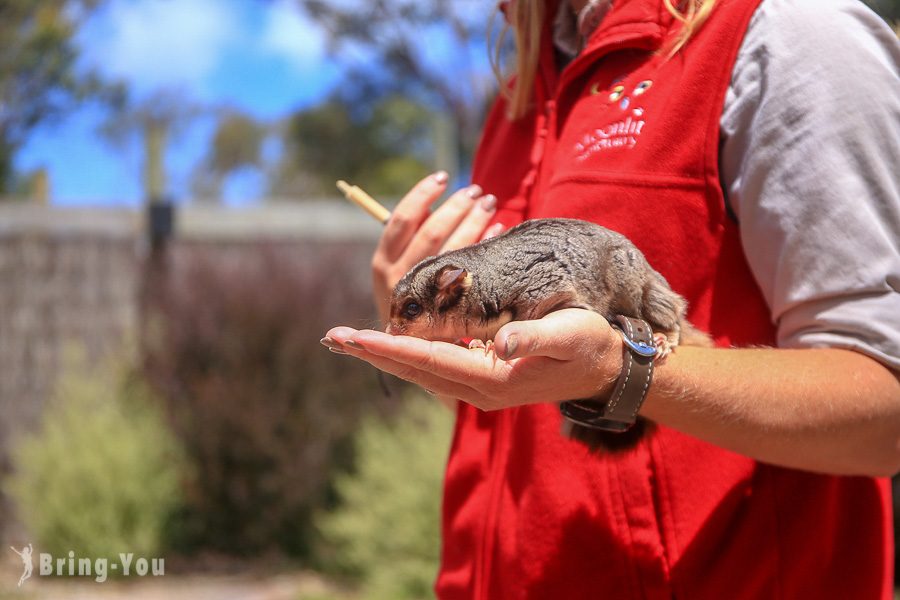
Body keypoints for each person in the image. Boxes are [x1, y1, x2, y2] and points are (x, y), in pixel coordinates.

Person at [323, 0, 900, 597]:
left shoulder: (788, 33)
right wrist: (436, 346)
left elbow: (887, 413)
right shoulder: (518, 97)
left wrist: (625, 372)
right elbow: (515, 420)